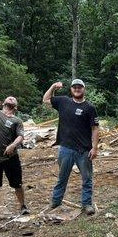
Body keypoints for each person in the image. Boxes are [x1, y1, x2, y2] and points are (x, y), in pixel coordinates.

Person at [43, 79, 99, 214]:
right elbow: (45, 100)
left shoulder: (90, 108)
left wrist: (95, 147)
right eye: (75, 87)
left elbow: (95, 128)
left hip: (84, 150)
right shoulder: (63, 101)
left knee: (87, 179)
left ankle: (87, 204)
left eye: (80, 87)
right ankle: (56, 201)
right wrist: (52, 87)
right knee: (62, 177)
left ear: (84, 89)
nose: (77, 89)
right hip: (66, 148)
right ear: (71, 89)